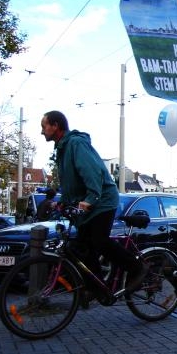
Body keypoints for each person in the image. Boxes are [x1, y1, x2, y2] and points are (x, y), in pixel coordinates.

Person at [40, 110, 147, 293]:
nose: (42, 131)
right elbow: (70, 182)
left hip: (103, 200)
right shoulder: (62, 149)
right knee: (81, 248)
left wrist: (90, 199)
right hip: (88, 204)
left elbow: (91, 172)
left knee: (99, 241)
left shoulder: (76, 143)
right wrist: (63, 202)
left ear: (55, 126)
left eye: (44, 126)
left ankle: (137, 268)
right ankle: (98, 289)